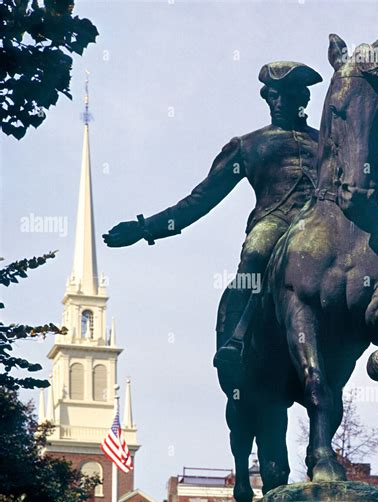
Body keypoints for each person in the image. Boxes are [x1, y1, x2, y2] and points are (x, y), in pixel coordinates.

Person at [103, 61, 323, 368]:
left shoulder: (327, 143)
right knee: (256, 252)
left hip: (321, 225)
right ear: (267, 98)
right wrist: (145, 229)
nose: (280, 102)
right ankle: (238, 338)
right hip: (276, 222)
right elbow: (201, 199)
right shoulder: (248, 146)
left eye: (288, 95)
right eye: (274, 95)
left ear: (304, 99)